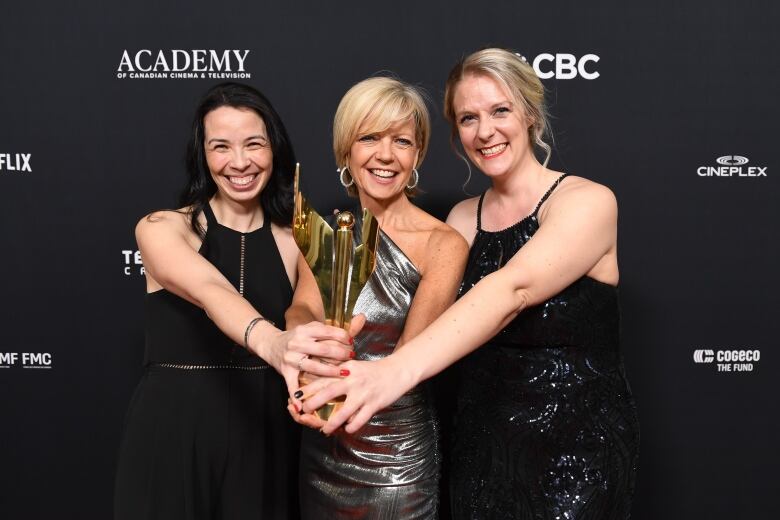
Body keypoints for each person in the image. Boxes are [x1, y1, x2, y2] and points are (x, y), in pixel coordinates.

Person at [302, 49, 641, 519]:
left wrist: (389, 374)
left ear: (529, 113)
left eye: (500, 110)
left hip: (572, 450)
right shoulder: (463, 219)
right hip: (480, 446)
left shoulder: (587, 202)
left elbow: (512, 289)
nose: (485, 131)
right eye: (468, 118)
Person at [114, 82, 354, 520]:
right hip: (172, 431)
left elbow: (304, 313)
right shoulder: (163, 228)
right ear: (202, 154)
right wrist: (274, 343)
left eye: (254, 144)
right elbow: (212, 291)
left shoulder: (302, 239)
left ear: (275, 150)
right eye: (221, 146)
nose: (239, 162)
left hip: (263, 435)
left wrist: (308, 354)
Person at [287, 76, 468, 519]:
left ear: (417, 153)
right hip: (324, 445)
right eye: (369, 138)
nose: (385, 155)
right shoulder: (331, 233)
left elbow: (412, 353)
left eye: (401, 141)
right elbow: (303, 307)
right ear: (346, 150)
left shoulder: (443, 243)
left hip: (395, 456)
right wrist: (302, 353)